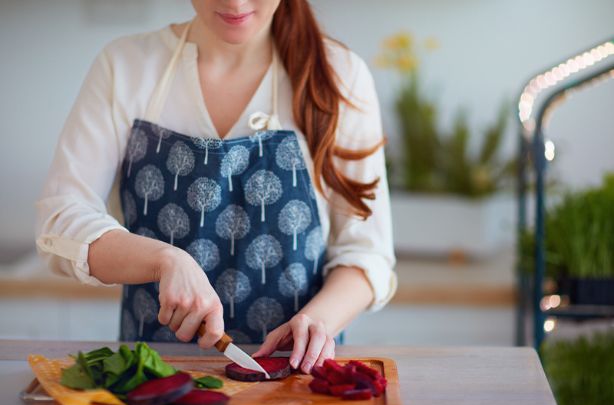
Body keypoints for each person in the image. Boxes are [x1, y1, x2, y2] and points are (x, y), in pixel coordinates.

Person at [35, 0, 396, 374]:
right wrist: (165, 260)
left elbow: (367, 253)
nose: (234, 3)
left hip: (295, 382)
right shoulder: (126, 66)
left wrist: (320, 320)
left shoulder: (341, 75)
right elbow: (60, 222)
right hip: (155, 376)